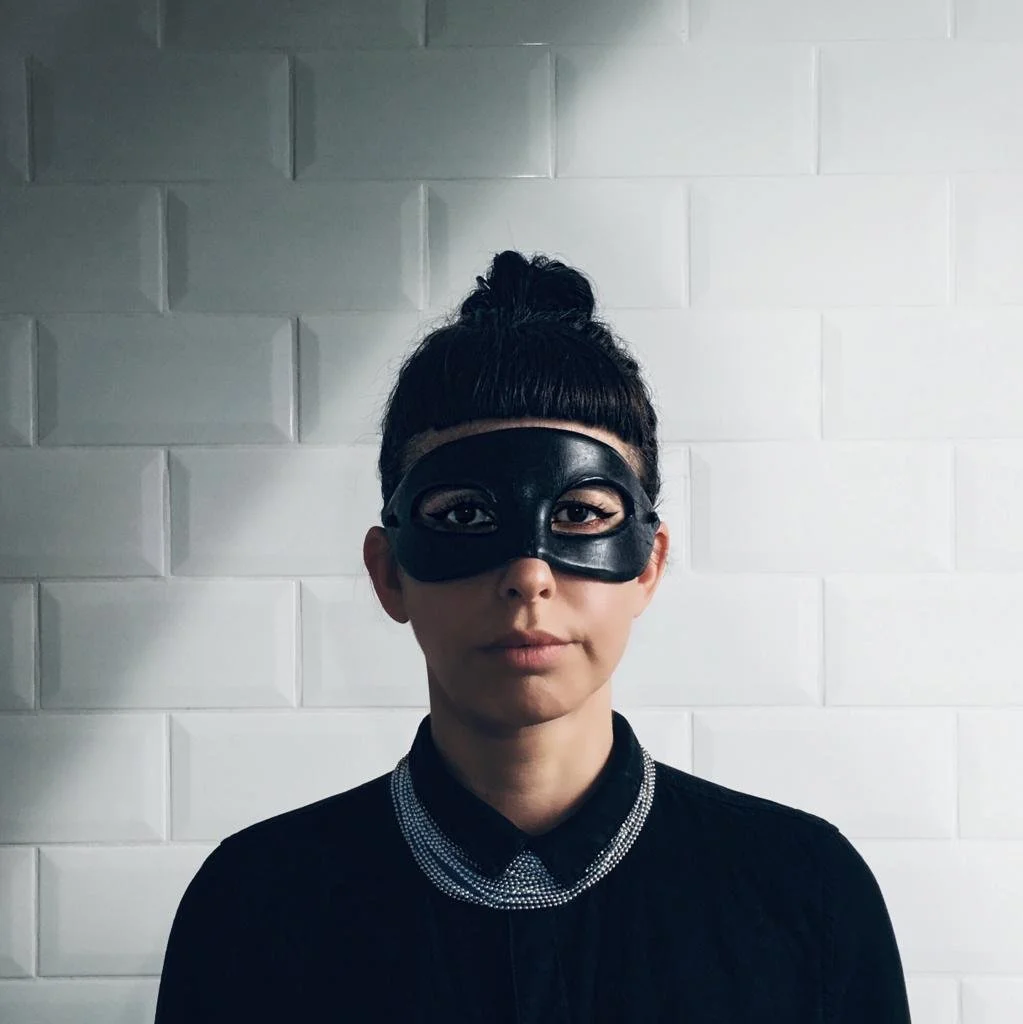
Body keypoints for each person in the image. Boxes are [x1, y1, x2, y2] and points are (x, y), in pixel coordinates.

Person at [154, 250, 912, 1022]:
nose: (527, 575)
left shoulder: (805, 891)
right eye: (464, 517)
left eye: (580, 514)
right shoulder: (254, 904)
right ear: (389, 575)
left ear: (647, 564)